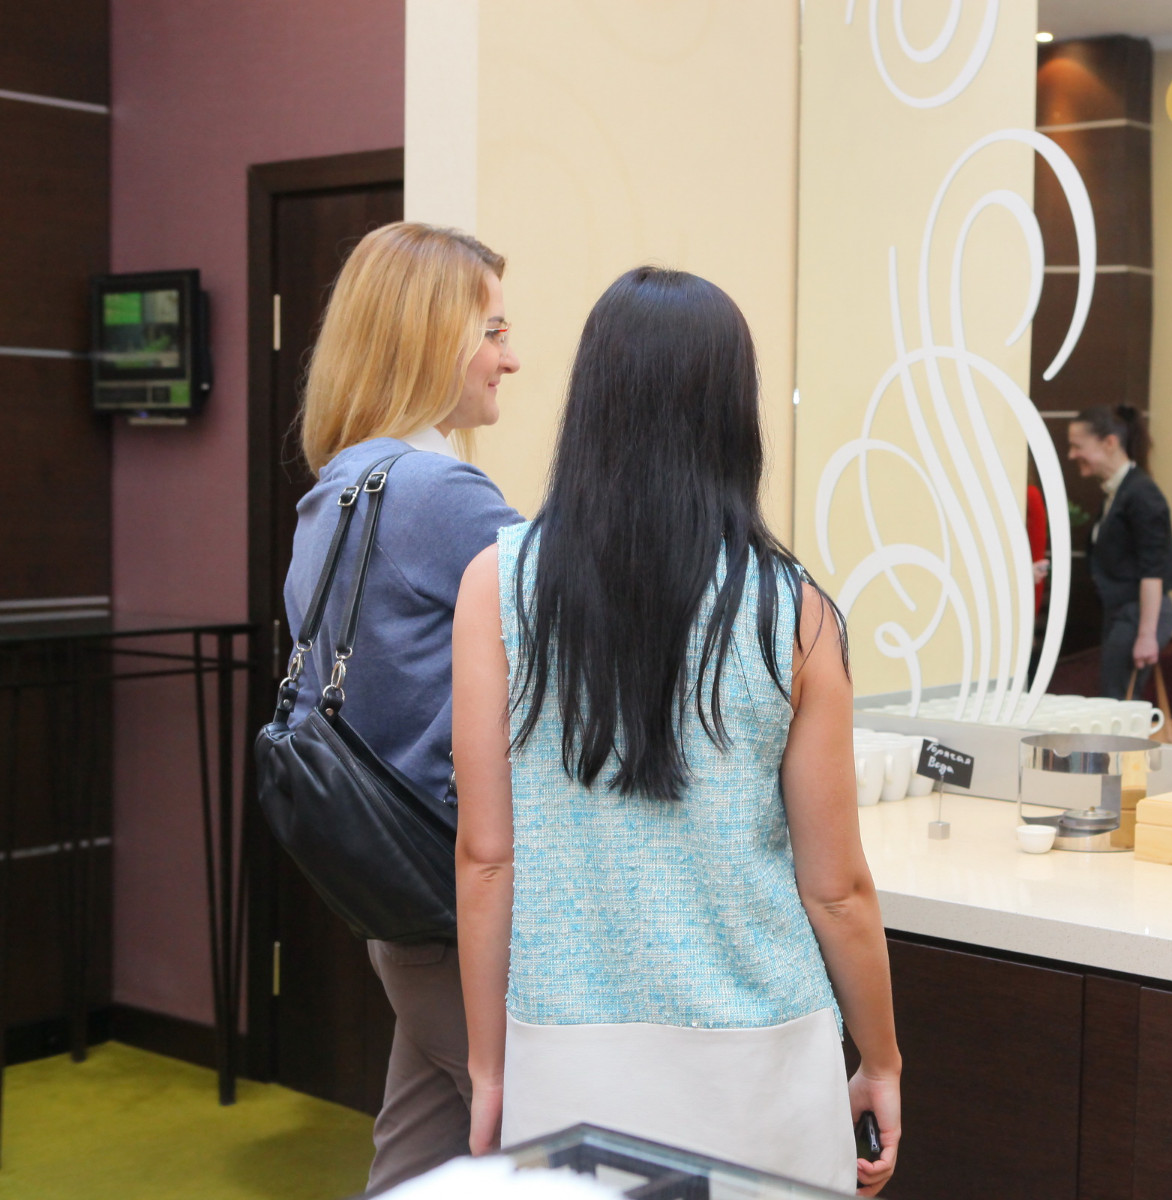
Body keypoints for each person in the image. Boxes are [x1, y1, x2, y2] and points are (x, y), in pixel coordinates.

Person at [453, 267, 901, 1193]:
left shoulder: (497, 586)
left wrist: (489, 1068)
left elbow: (486, 859)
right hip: (764, 1059)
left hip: (565, 1051)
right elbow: (837, 891)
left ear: (592, 402)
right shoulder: (795, 613)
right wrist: (882, 1060)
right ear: (733, 415)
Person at [285, 222, 522, 1190]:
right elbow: (586, 640)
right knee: (546, 1152)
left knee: (419, 1153)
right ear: (430, 338)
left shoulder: (339, 489)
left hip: (395, 903)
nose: (511, 358)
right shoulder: (440, 495)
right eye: (494, 331)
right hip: (462, 906)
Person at [1066, 405, 1172, 699]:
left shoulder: (1141, 494)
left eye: (1078, 446)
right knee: (1115, 698)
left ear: (1109, 443)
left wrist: (1146, 635)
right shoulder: (1118, 493)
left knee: (1116, 701)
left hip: (1139, 613)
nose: (1071, 455)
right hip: (1124, 612)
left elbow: (1153, 571)